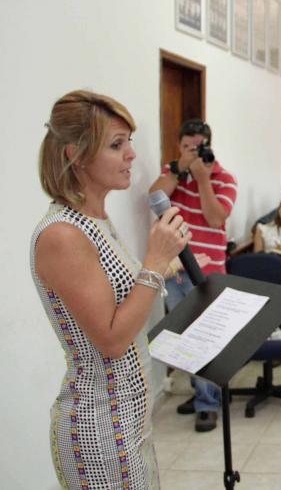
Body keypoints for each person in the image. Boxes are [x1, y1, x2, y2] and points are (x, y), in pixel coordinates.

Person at [34, 90, 188, 487]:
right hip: (98, 425)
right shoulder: (63, 234)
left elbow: (121, 293)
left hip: (130, 416)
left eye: (130, 142)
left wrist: (164, 263)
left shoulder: (96, 219)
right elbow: (112, 339)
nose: (132, 155)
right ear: (76, 155)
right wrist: (155, 260)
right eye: (117, 145)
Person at [149, 118, 237, 432]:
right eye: (187, 147)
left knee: (205, 340)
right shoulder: (171, 172)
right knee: (184, 339)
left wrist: (202, 180)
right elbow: (154, 199)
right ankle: (203, 393)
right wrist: (178, 170)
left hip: (207, 272)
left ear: (208, 147)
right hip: (174, 271)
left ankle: (208, 403)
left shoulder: (225, 178)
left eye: (197, 148)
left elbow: (215, 219)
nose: (192, 153)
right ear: (180, 146)